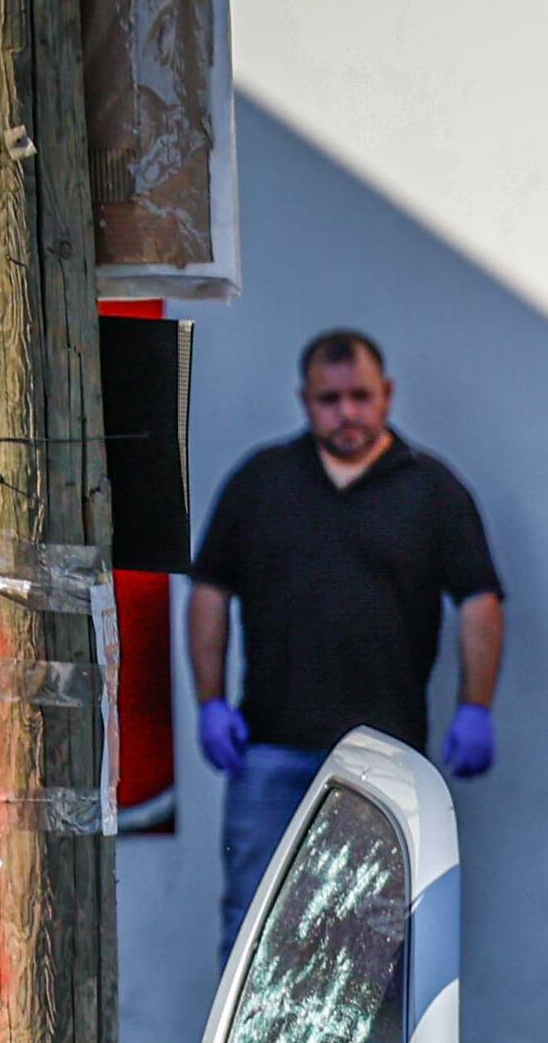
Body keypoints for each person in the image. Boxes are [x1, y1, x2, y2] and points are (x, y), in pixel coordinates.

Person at [186, 328, 506, 941]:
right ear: (305, 401)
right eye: (330, 399)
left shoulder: (430, 489)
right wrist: (210, 702)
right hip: (272, 749)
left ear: (386, 394)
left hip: (385, 754)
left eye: (360, 396)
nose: (347, 412)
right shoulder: (263, 481)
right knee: (257, 926)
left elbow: (479, 600)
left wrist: (476, 708)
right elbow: (210, 591)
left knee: (370, 935)